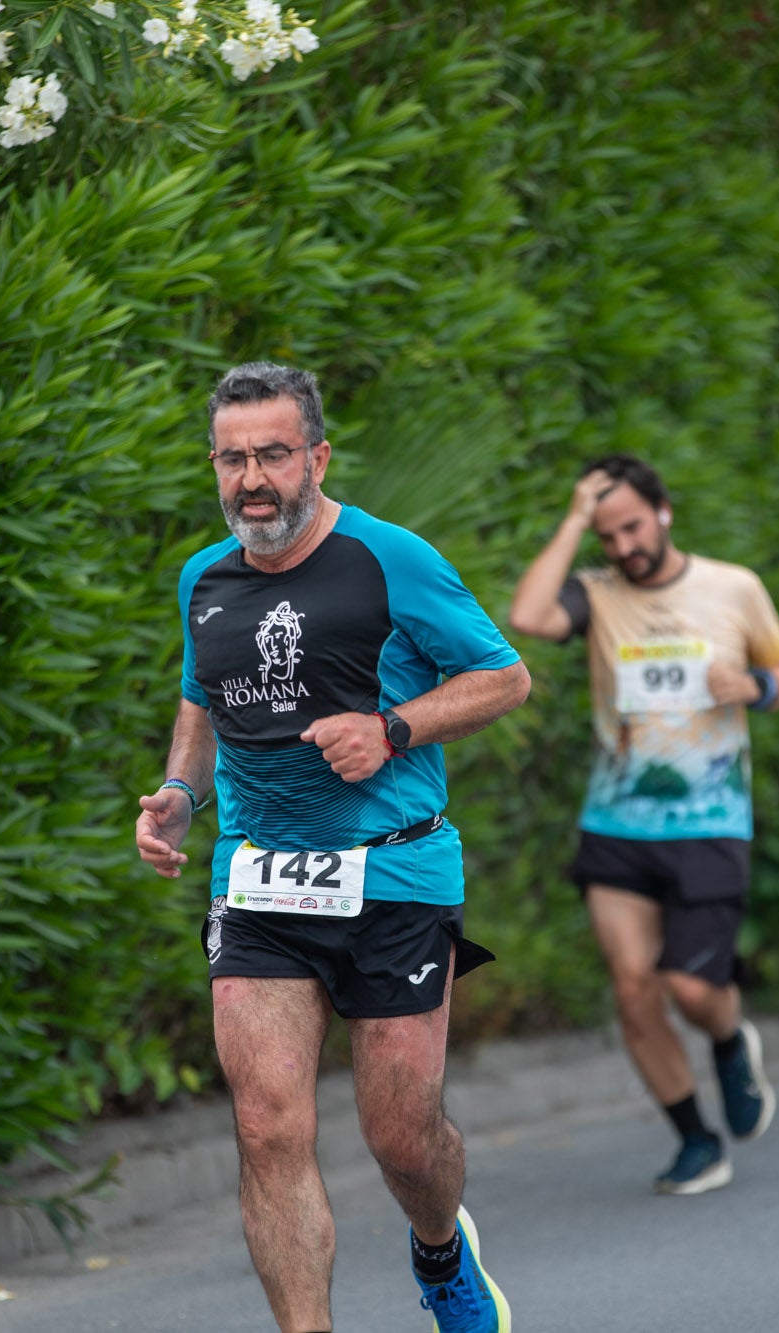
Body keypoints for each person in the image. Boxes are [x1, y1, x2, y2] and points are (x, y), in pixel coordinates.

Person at [133, 362, 530, 1333]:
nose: (251, 478)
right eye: (232, 458)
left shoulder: (388, 557)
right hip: (259, 874)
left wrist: (390, 729)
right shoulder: (203, 577)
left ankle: (439, 1251)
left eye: (272, 453)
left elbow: (503, 678)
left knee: (399, 1138)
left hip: (393, 871)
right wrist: (181, 793)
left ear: (315, 455)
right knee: (267, 1126)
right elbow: (203, 698)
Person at [508, 456, 779, 1195]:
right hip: (617, 823)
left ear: (665, 511)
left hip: (709, 820)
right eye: (607, 535)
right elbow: (528, 617)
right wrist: (575, 518)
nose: (623, 546)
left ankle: (731, 1038)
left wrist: (757, 686)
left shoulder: (734, 587)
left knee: (690, 988)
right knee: (634, 986)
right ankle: (697, 1139)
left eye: (632, 526)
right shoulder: (598, 594)